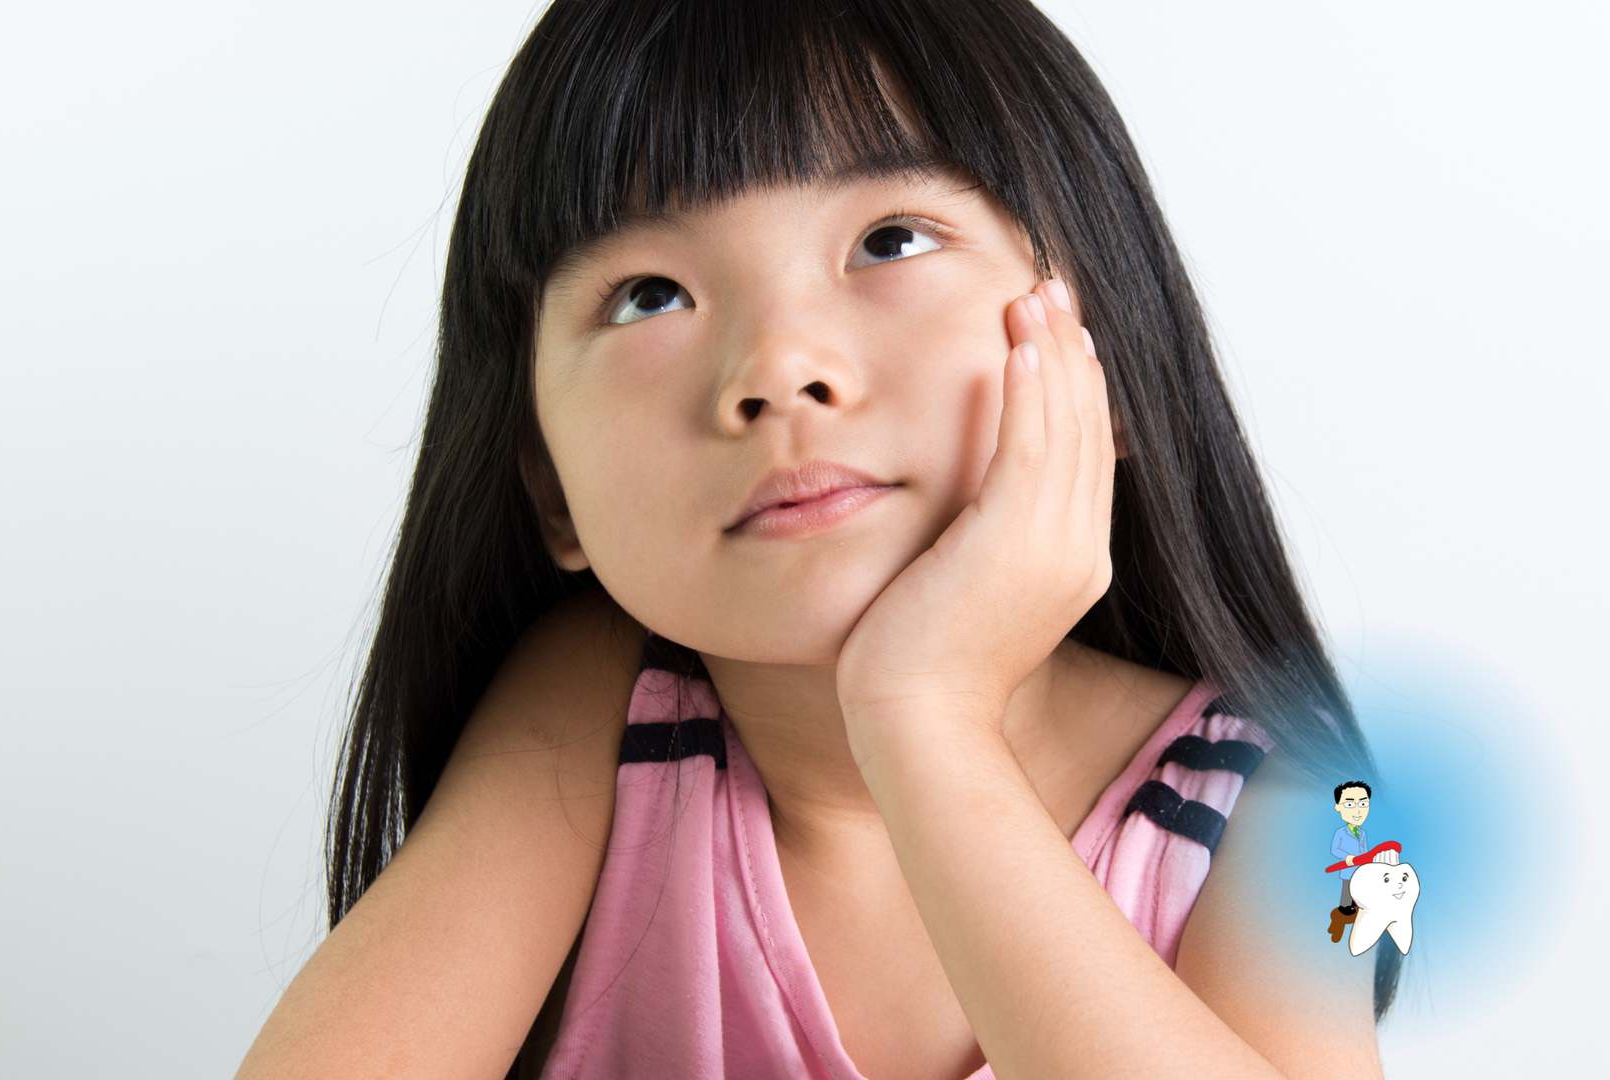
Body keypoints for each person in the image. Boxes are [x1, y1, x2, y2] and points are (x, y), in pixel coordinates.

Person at [236, 2, 1400, 1077]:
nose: (778, 368)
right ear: (547, 488)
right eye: (649, 295)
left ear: (1109, 361)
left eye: (891, 240)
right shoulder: (601, 716)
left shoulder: (1315, 818)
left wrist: (927, 720)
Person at [1331, 781, 1375, 919]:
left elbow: (1365, 849)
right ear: (1338, 807)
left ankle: (1357, 904)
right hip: (1348, 867)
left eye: (1363, 804)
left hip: (1361, 867)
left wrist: (1369, 861)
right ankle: (1345, 907)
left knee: (1359, 887)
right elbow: (1334, 849)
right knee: (1347, 888)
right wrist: (1346, 856)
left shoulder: (1362, 833)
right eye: (1350, 804)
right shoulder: (1340, 832)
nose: (1358, 811)